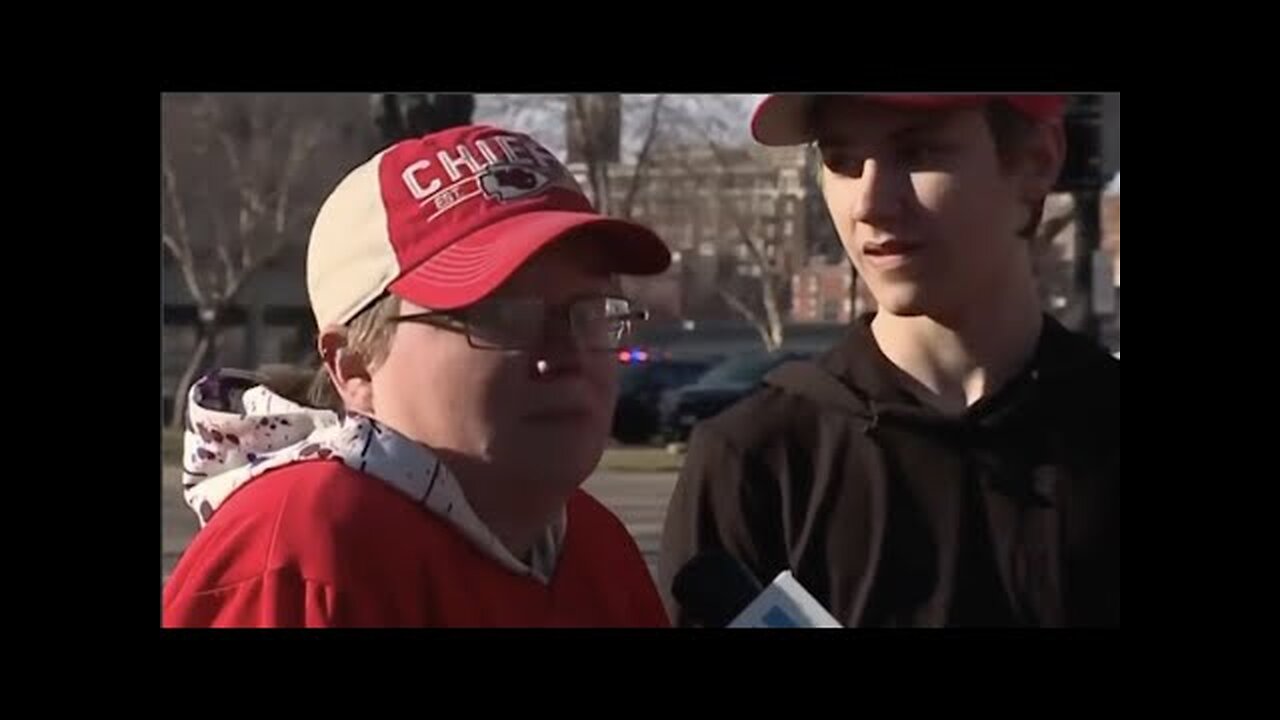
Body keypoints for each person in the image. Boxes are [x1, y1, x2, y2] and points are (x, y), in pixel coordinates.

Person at [163, 124, 673, 628]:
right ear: (353, 364)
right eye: (502, 316)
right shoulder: (303, 552)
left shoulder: (595, 545)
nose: (567, 354)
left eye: (593, 314)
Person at [658, 95, 1120, 627]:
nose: (870, 204)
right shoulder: (756, 462)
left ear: (1035, 163)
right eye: (842, 161)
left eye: (918, 152)